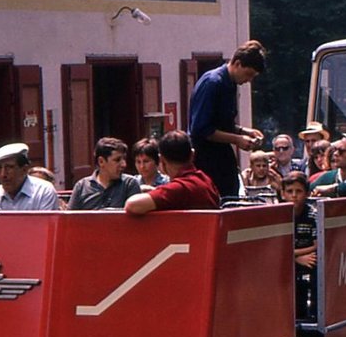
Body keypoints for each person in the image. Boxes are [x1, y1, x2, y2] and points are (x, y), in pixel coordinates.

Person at [188, 40, 267, 198]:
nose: (249, 80)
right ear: (237, 64)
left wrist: (244, 131)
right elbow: (201, 129)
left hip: (221, 155)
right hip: (206, 158)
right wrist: (237, 139)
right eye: (248, 74)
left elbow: (222, 123)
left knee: (230, 194)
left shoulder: (229, 84)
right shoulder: (213, 83)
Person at [125, 130, 219, 213]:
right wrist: (155, 191)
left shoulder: (179, 188)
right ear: (192, 155)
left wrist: (156, 192)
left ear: (161, 159)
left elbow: (132, 205)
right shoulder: (206, 180)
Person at [67, 136, 141, 210]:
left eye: (124, 159)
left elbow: (135, 217)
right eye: (117, 160)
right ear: (101, 161)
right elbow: (69, 218)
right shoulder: (81, 187)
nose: (123, 164)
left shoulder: (129, 184)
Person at [281, 171, 318, 319]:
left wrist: (295, 255)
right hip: (287, 258)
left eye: (299, 191)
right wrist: (295, 257)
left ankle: (313, 313)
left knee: (316, 263)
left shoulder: (313, 215)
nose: (294, 195)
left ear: (307, 193)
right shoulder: (278, 214)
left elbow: (317, 246)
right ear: (283, 194)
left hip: (307, 256)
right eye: (290, 191)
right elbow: (277, 247)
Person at [0, 142, 60, 210]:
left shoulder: (43, 192)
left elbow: (46, 225)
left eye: (9, 167)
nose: (3, 174)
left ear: (24, 169)